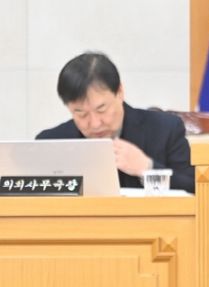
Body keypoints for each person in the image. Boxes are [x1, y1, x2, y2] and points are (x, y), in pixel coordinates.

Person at [36, 52, 195, 193]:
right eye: (81, 114)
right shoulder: (50, 143)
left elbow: (194, 187)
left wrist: (147, 168)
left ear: (119, 92)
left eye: (101, 109)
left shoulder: (165, 129)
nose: (95, 123)